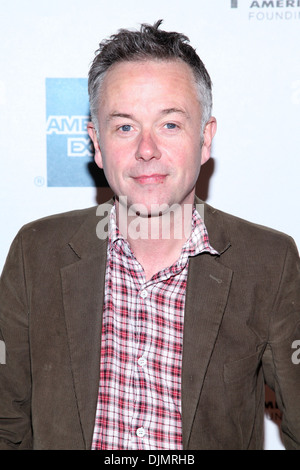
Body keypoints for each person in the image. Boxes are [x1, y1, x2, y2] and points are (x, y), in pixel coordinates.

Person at [0, 20, 300, 451]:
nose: (146, 149)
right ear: (96, 144)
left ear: (205, 137)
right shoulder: (36, 253)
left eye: (170, 125)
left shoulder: (269, 262)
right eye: (124, 127)